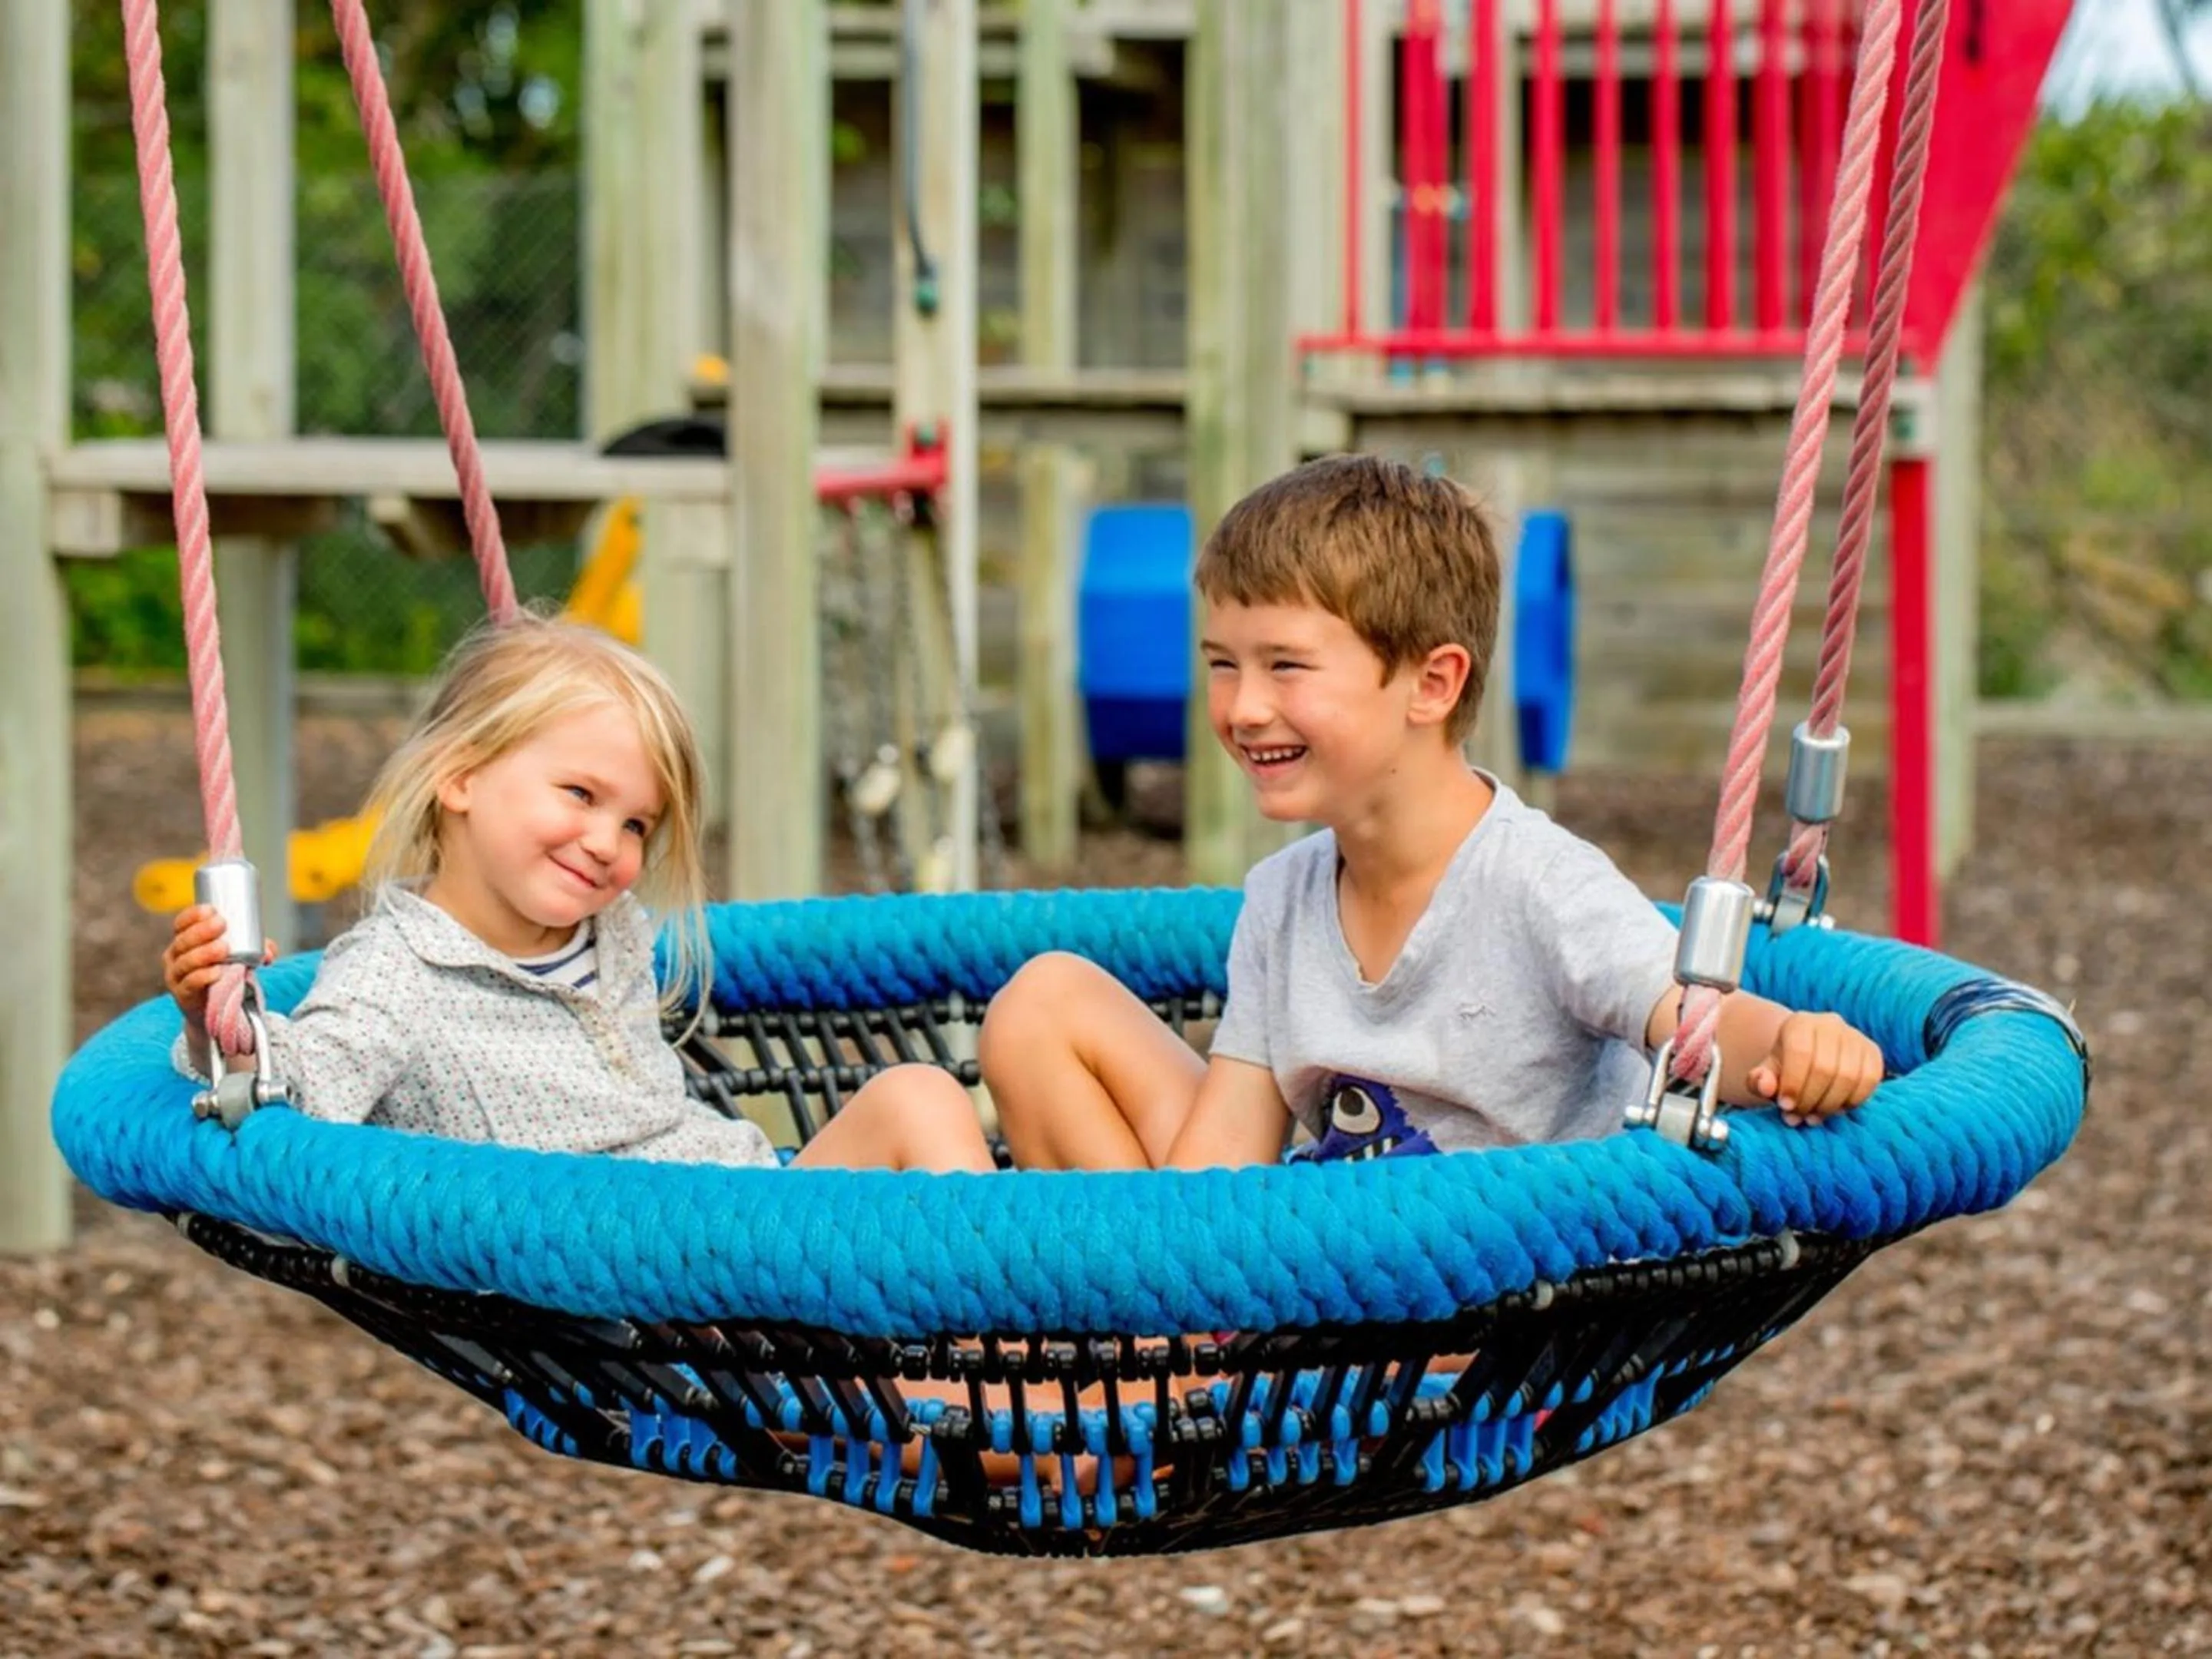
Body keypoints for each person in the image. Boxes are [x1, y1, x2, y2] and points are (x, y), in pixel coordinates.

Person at [979, 453, 1885, 1172]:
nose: (1244, 707)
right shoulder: (1282, 899)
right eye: (1224, 664)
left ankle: (1119, 1345)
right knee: (1037, 1007)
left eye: (1285, 666)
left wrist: (1796, 1041)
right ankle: (1130, 1332)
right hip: (1319, 1276)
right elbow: (1218, 1179)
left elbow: (1687, 1014)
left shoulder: (1538, 884)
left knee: (944, 1110)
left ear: (1433, 683)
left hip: (1492, 1305)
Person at [165, 611, 994, 1175]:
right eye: (580, 795)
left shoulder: (610, 931)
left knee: (1013, 1029)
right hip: (646, 1276)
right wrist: (216, 1019)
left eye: (636, 825)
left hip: (737, 1210)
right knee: (915, 1100)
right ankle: (1004, 1358)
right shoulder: (398, 972)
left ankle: (1028, 1341)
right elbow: (302, 1090)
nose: (607, 843)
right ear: (461, 776)